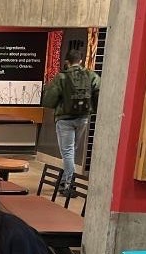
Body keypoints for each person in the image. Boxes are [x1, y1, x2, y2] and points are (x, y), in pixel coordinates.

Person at [42, 49, 101, 194]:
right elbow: (99, 92)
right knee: (71, 150)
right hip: (83, 119)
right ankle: (64, 181)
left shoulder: (62, 77)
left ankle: (69, 184)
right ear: (81, 60)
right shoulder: (91, 75)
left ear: (67, 61)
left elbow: (49, 99)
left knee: (67, 152)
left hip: (65, 119)